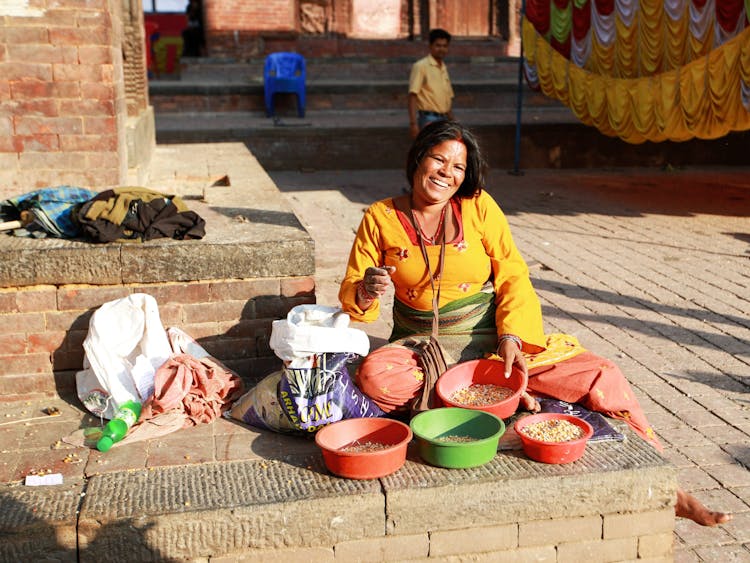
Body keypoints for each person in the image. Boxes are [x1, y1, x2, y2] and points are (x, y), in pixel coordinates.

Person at [338, 119, 732, 528]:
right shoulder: (379, 216)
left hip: (492, 342)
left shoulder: (479, 206)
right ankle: (503, 402)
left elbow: (512, 273)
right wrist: (368, 288)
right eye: (439, 159)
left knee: (601, 374)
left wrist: (512, 335)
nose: (447, 173)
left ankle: (673, 490)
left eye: (458, 167)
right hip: (423, 345)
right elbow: (355, 294)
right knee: (376, 378)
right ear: (418, 158)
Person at [408, 29, 455, 139]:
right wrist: (413, 124)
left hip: (444, 120)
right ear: (430, 46)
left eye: (445, 46)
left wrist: (453, 121)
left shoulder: (443, 68)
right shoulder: (421, 66)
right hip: (428, 119)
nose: (441, 49)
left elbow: (446, 100)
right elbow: (412, 96)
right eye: (438, 45)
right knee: (430, 152)